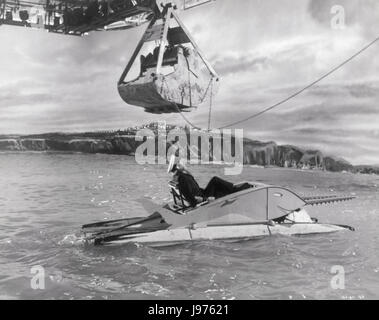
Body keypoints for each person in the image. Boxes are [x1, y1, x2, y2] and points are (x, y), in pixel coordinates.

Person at [169, 161, 251, 208]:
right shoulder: (183, 178)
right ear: (178, 169)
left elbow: (191, 179)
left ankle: (233, 190)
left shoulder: (183, 177)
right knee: (215, 180)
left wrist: (185, 169)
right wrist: (205, 199)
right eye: (180, 165)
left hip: (202, 194)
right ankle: (235, 190)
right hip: (202, 197)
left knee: (216, 184)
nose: (182, 164)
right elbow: (190, 196)